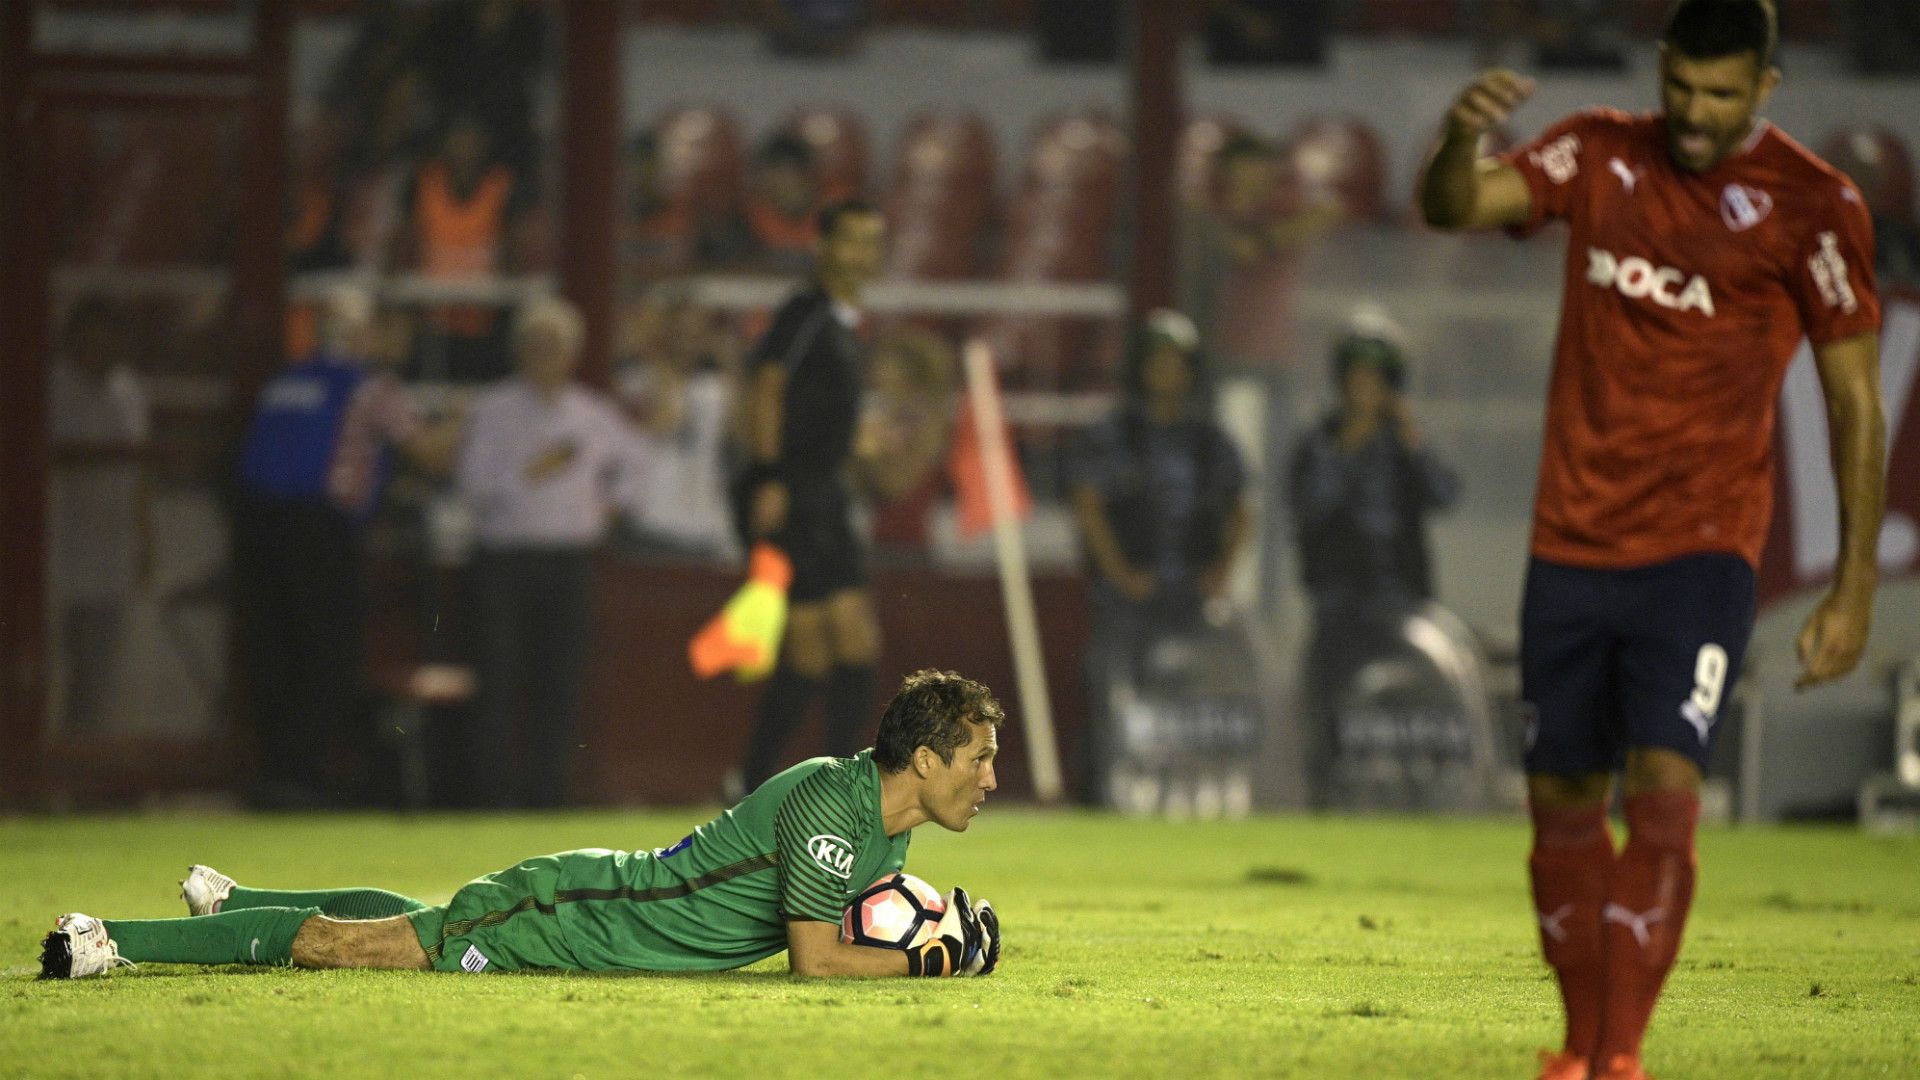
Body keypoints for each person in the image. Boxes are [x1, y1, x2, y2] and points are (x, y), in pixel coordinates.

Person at [1417, 3, 1885, 1079]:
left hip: (1701, 549)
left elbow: (1855, 400)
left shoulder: (1815, 206)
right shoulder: (1598, 151)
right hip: (1570, 545)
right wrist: (1456, 142)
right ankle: (1581, 1052)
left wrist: (1853, 585)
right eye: (1681, 87)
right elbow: (1458, 205)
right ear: (1662, 71)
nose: (1694, 112)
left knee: (1667, 791)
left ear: (1765, 88)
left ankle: (1621, 1056)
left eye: (1722, 95)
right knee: (1563, 808)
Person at [39, 669, 1002, 981]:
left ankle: (234, 898)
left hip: (590, 906)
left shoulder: (889, 827)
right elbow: (817, 959)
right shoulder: (838, 804)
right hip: (576, 916)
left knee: (422, 918)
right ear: (924, 760)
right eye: (979, 758)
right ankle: (108, 941)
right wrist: (937, 957)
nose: (991, 776)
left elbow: (850, 924)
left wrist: (941, 922)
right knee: (348, 950)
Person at [234, 285, 461, 809]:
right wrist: (460, 421)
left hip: (261, 530)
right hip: (323, 532)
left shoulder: (285, 381)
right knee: (329, 655)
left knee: (276, 650)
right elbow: (429, 453)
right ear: (362, 333)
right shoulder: (371, 387)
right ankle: (305, 776)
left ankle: (273, 774)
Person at [727, 199, 889, 799]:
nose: (863, 254)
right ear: (823, 246)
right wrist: (770, 475)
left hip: (824, 494)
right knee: (822, 647)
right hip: (795, 491)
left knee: (844, 645)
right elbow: (765, 386)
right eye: (852, 240)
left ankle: (814, 787)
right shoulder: (806, 314)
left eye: (873, 242)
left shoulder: (843, 324)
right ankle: (765, 784)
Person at [454, 296, 642, 809]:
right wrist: (528, 476)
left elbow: (635, 469)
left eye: (556, 347)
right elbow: (470, 483)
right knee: (497, 676)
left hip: (568, 561)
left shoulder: (593, 414)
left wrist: (607, 509)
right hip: (505, 558)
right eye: (537, 346)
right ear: (520, 351)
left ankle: (549, 796)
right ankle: (489, 797)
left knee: (560, 679)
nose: (546, 356)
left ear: (573, 353)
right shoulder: (493, 410)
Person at [1068, 309, 1251, 807]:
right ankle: (1108, 790)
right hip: (1128, 599)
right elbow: (1089, 505)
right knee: (1116, 692)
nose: (1166, 371)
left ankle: (1204, 792)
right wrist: (1120, 573)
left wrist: (1220, 574)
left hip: (1192, 598)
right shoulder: (1111, 435)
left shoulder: (1209, 441)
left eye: (1176, 362)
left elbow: (1240, 511)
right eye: (1156, 360)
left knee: (1196, 697)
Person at [1289, 311, 1461, 807]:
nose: (1366, 388)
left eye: (1377, 378)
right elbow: (1308, 506)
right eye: (1357, 376)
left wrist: (1412, 443)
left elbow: (1445, 495)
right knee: (1333, 704)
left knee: (1410, 702)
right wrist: (1348, 446)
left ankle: (1419, 794)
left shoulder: (1406, 442)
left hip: (1401, 600)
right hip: (1338, 600)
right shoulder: (1318, 442)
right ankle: (1327, 796)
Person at [46, 297, 151, 733]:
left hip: (111, 548)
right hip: (52, 546)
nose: (101, 343)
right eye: (91, 331)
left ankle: (77, 775)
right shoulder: (49, 390)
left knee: (98, 674)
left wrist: (147, 542)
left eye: (109, 333)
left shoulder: (129, 391)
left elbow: (140, 472)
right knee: (44, 667)